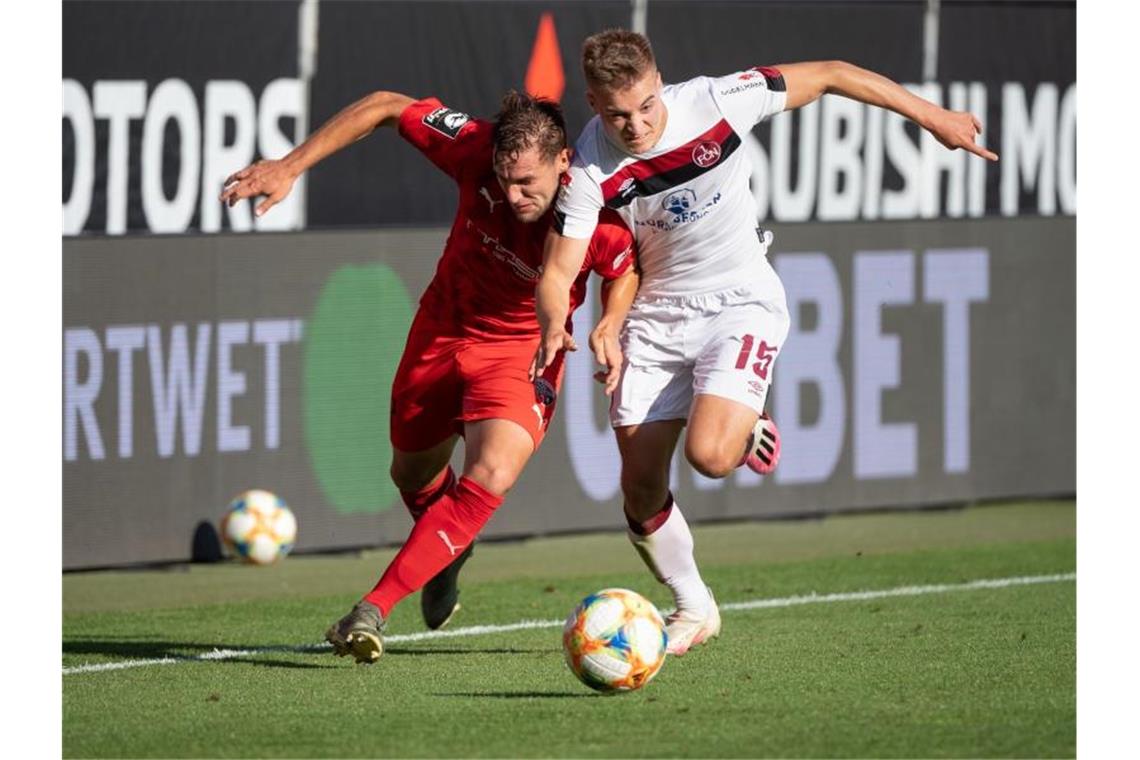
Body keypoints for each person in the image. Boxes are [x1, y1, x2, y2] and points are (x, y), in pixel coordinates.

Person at [535, 30, 999, 656]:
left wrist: (934, 117)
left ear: (659, 80)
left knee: (712, 455)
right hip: (659, 315)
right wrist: (557, 324)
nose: (637, 124)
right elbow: (559, 272)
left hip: (739, 301)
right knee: (640, 489)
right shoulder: (589, 169)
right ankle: (694, 606)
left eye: (646, 105)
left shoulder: (717, 101)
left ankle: (741, 422)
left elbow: (834, 71)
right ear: (593, 102)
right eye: (618, 113)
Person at [220, 89, 639, 664]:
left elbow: (624, 266)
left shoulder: (596, 206)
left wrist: (611, 321)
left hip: (522, 350)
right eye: (504, 180)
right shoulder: (472, 148)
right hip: (441, 331)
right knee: (411, 473)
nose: (512, 196)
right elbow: (387, 105)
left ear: (563, 160)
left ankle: (372, 608)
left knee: (490, 473)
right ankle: (447, 549)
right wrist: (289, 166)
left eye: (527, 185)